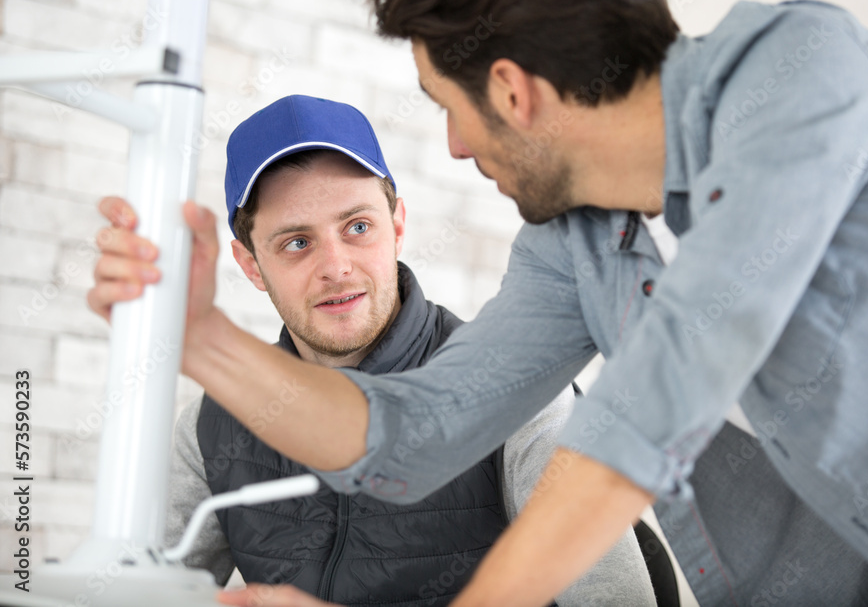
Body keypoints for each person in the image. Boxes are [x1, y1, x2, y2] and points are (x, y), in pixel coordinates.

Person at [88, 0, 868, 605]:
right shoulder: (581, 243)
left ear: (514, 91)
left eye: (451, 108)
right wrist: (199, 336)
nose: (451, 145)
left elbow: (651, 410)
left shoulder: (802, 79)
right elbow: (414, 430)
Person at [91, 95, 656, 606]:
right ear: (250, 266)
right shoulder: (211, 427)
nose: (336, 267)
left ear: (398, 225)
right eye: (296, 242)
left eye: (357, 226)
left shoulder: (522, 397)